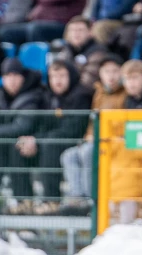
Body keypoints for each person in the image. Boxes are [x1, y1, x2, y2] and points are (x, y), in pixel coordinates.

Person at [24, 59, 94, 213]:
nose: (57, 81)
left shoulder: (81, 95)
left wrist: (39, 139)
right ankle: (23, 201)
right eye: (53, 76)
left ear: (71, 76)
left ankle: (51, 201)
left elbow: (73, 129)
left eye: (62, 76)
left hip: (77, 140)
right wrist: (32, 139)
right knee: (20, 145)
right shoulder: (49, 97)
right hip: (52, 139)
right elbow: (43, 125)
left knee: (51, 145)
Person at [59, 55, 127, 212]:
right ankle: (78, 197)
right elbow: (93, 121)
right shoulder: (99, 93)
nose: (111, 76)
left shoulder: (125, 94)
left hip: (114, 142)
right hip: (96, 140)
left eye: (115, 71)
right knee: (69, 155)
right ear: (100, 74)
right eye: (107, 71)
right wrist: (89, 136)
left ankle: (91, 200)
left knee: (88, 152)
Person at [0, 58, 48, 211]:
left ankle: (24, 202)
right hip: (12, 143)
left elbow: (23, 127)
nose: (12, 80)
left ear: (23, 77)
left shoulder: (35, 93)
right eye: (8, 76)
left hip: (38, 143)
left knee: (16, 146)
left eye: (16, 76)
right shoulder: (0, 96)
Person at [52, 16, 107, 88]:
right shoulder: (66, 49)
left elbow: (88, 82)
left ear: (90, 32)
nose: (76, 33)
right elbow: (56, 73)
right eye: (72, 30)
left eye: (80, 30)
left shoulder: (98, 52)